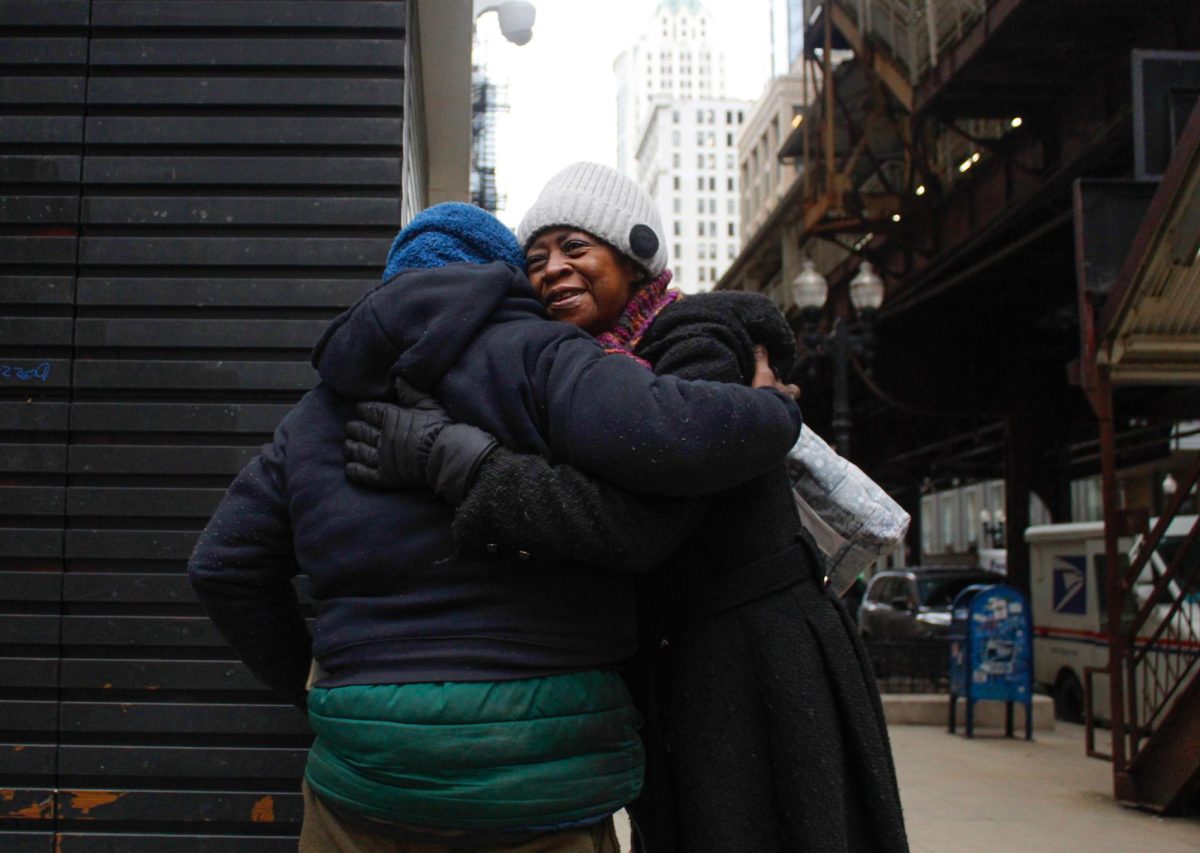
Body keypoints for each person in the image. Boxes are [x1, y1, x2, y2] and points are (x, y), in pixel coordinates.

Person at [187, 201, 803, 851]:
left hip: (368, 764)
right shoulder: (543, 357)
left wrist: (320, 685)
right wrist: (773, 410)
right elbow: (672, 435)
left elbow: (222, 566)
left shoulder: (315, 416)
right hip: (539, 773)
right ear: (502, 277)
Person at [347, 163, 909, 852]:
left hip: (761, 667)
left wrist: (458, 461)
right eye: (537, 258)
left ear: (635, 255)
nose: (553, 269)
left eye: (576, 247)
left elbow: (635, 524)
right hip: (689, 670)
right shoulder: (590, 380)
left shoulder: (699, 338)